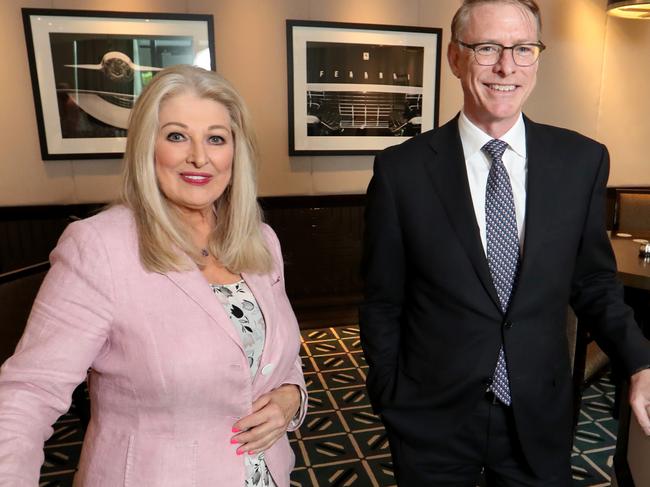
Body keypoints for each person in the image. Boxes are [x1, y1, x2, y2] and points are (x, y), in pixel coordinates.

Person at [359, 1, 650, 485]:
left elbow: (594, 282)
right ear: (455, 58)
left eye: (523, 49)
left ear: (538, 56)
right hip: (431, 416)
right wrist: (390, 393)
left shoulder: (581, 161)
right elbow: (382, 301)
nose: (506, 67)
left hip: (538, 410)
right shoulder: (401, 172)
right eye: (487, 47)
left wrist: (640, 361)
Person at [0, 65, 306, 486]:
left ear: (236, 153)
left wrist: (293, 397)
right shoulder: (99, 247)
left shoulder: (258, 239)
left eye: (216, 138)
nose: (199, 156)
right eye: (177, 136)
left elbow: (274, 353)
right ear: (148, 146)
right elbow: (27, 394)